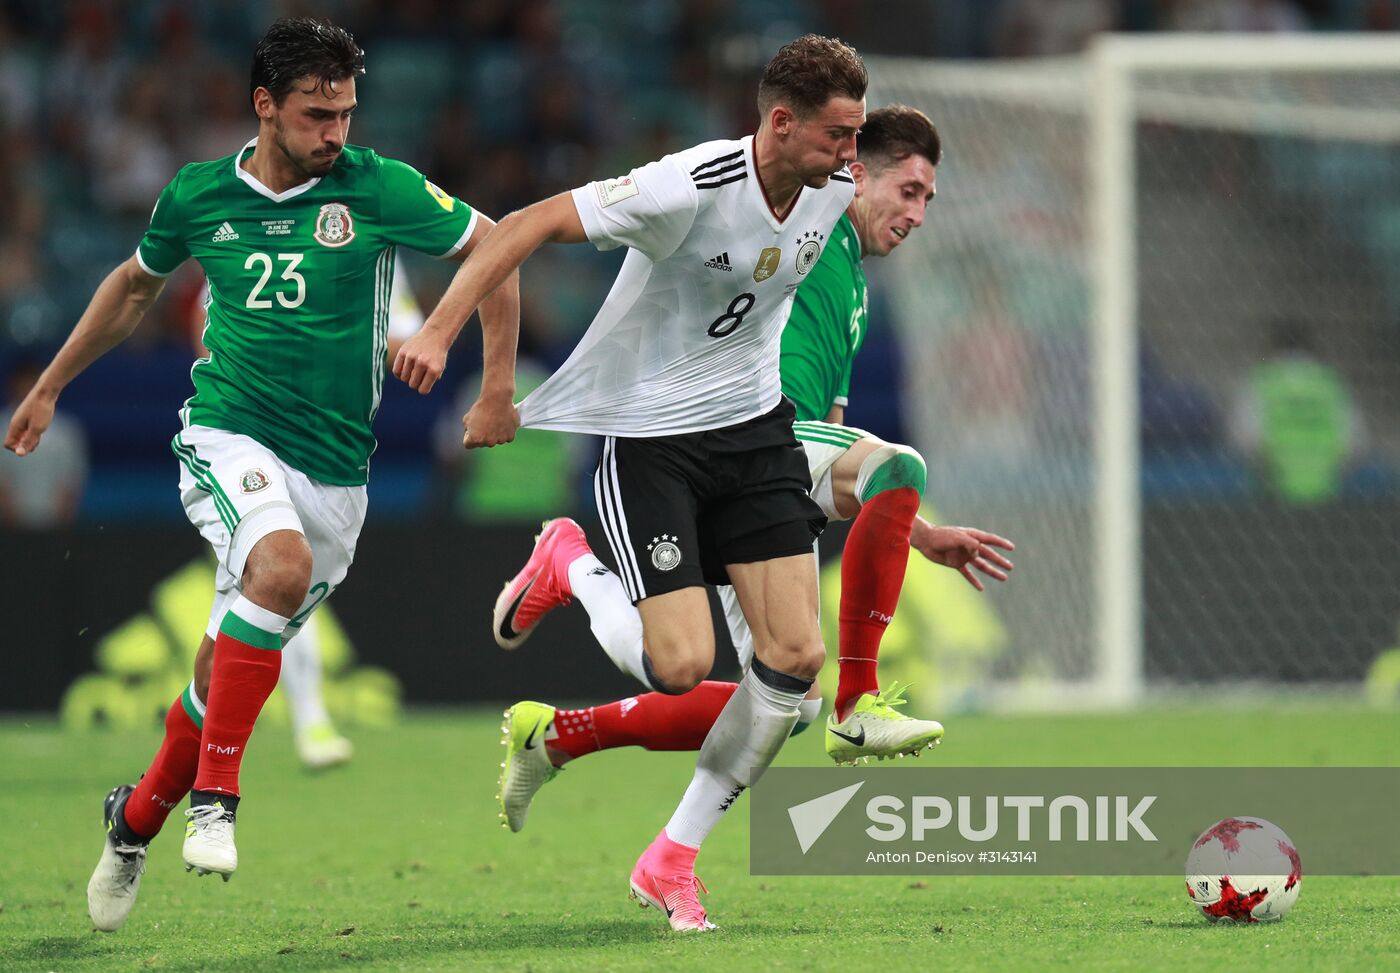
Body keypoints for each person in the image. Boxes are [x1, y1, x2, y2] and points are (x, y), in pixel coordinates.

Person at [4, 17, 518, 933]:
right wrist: (49, 386)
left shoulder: (380, 188)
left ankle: (132, 821)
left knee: (216, 677)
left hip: (337, 476)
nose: (337, 134)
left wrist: (477, 367)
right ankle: (218, 799)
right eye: (318, 116)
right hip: (227, 433)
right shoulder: (198, 196)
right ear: (265, 107)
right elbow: (131, 287)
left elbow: (503, 244)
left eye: (348, 114)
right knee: (274, 569)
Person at [395, 34, 869, 932]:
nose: (853, 154)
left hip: (755, 432)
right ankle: (568, 564)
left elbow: (875, 207)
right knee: (682, 666)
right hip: (654, 443)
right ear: (779, 122)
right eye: (839, 135)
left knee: (798, 665)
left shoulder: (835, 188)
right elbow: (522, 226)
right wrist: (455, 347)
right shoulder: (687, 184)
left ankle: (669, 860)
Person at [492, 107, 1013, 818]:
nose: (919, 213)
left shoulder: (854, 287)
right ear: (854, 175)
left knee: (784, 702)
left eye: (929, 199)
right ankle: (859, 703)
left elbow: (835, 443)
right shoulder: (812, 221)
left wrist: (916, 530)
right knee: (897, 466)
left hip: (766, 472)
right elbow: (762, 183)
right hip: (722, 435)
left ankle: (557, 728)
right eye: (910, 191)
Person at [186, 265, 428, 770]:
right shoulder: (254, 220)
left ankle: (147, 801)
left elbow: (406, 338)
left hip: (327, 447)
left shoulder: (374, 240)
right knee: (280, 575)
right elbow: (202, 310)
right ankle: (307, 722)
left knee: (254, 606)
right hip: (252, 441)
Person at [1228, 318, 1365, 505]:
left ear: (1271, 346)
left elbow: (1244, 439)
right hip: (1327, 492)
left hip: (1273, 491)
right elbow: (1354, 444)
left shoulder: (1262, 381)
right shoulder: (1330, 382)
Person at [0, 354, 88, 527]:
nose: (29, 389)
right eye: (25, 383)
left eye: (35, 383)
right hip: (9, 531)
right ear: (13, 385)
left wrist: (57, 525)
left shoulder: (67, 431)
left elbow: (71, 482)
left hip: (56, 530)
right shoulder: (1, 428)